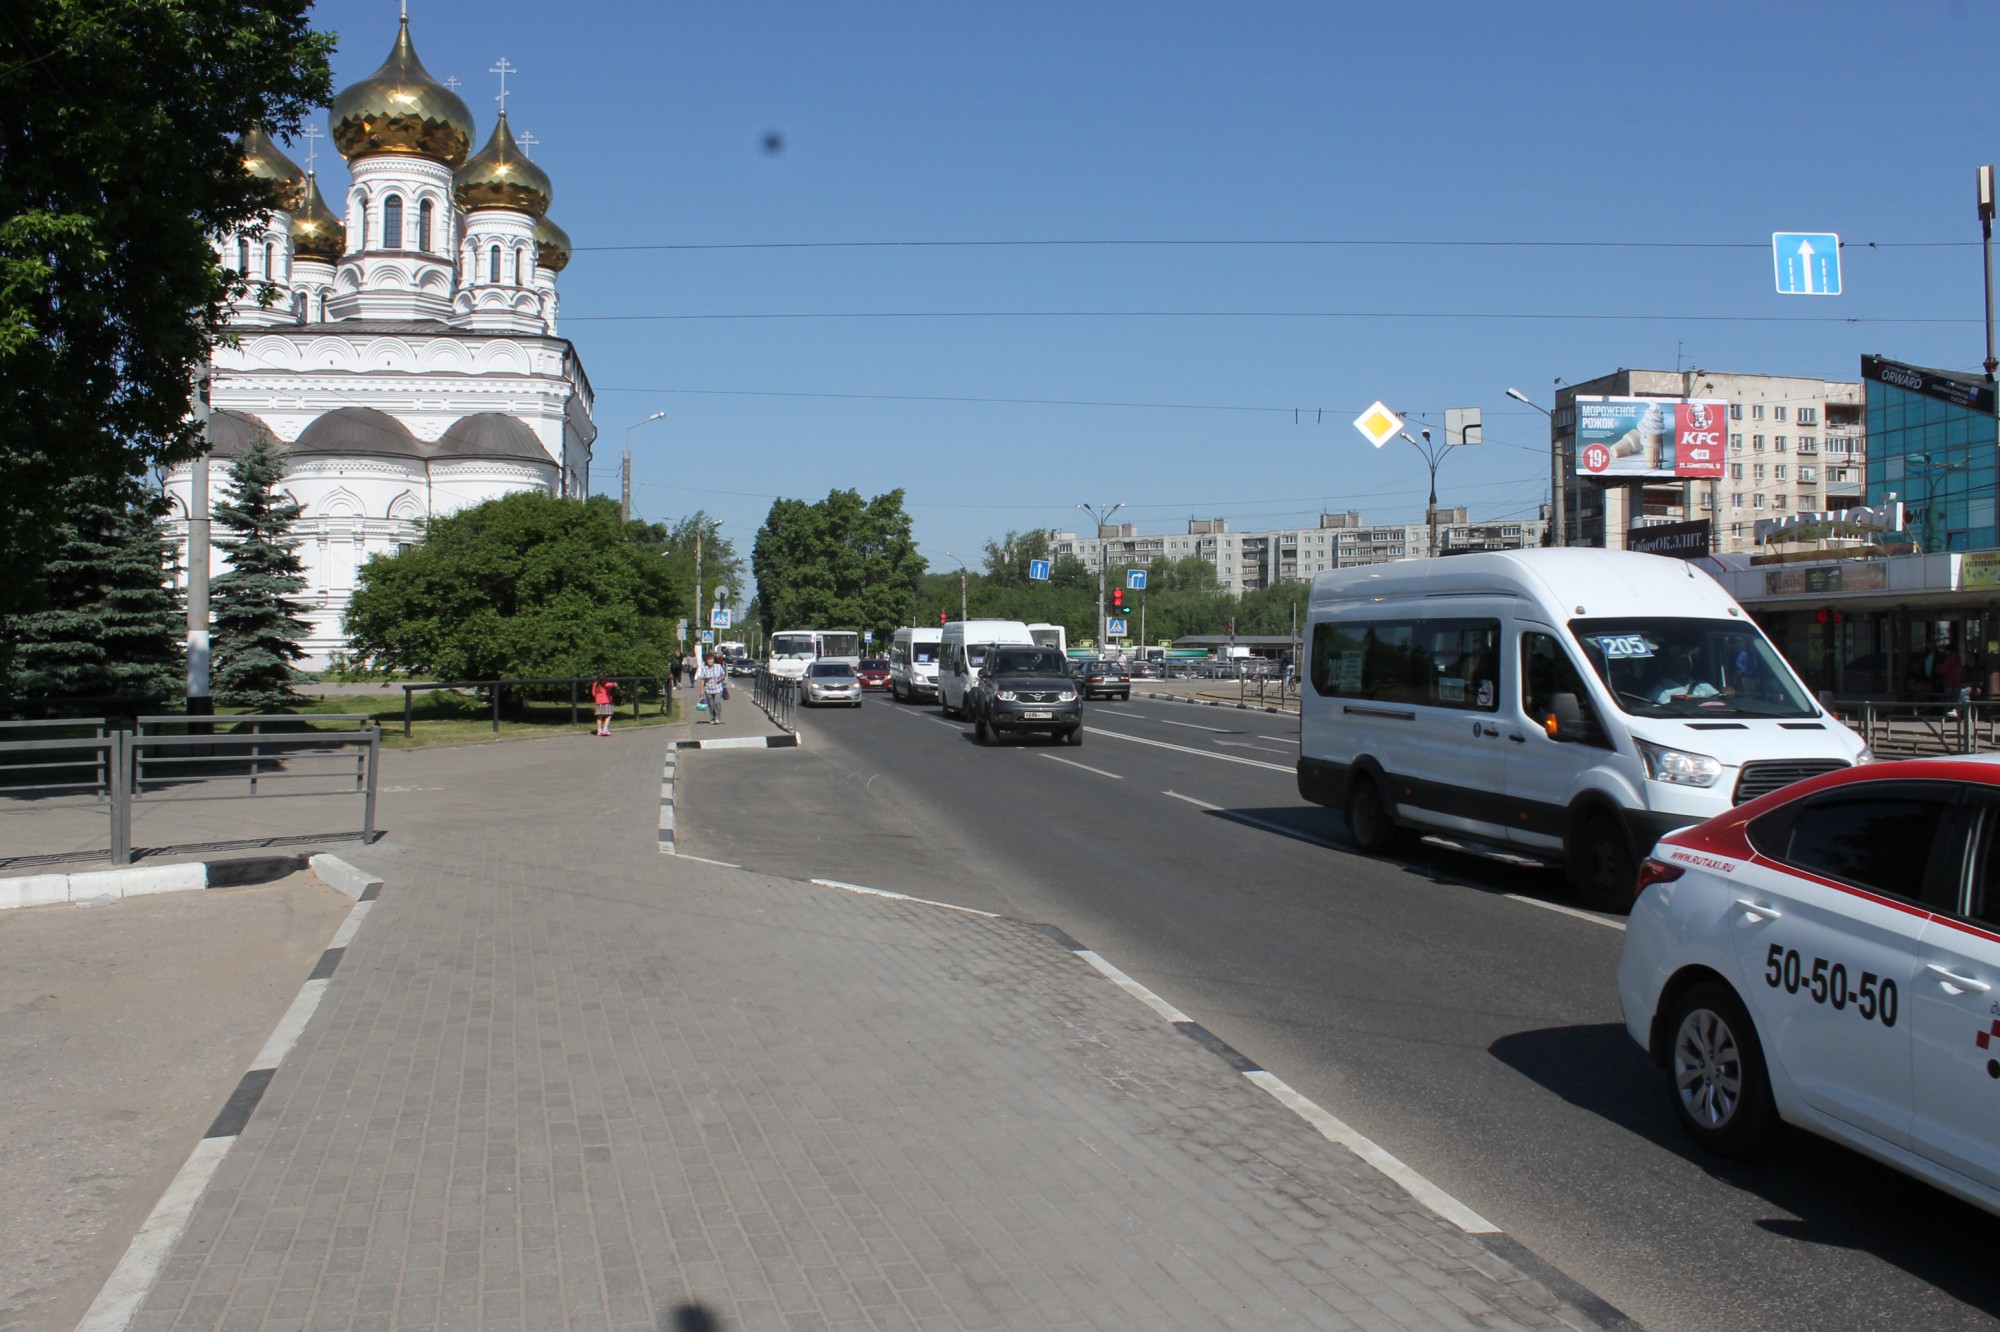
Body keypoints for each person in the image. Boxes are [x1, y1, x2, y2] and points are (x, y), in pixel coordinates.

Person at [1651, 648, 1722, 705]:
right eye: (1677, 666)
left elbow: (1719, 701)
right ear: (1669, 666)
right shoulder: (1657, 692)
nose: (1682, 668)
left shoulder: (1701, 685)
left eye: (1684, 665)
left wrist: (1727, 695)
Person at [700, 651, 727, 724]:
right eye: (708, 659)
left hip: (718, 688)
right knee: (711, 704)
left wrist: (720, 679)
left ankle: (717, 717)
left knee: (716, 702)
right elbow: (702, 679)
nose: (709, 661)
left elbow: (724, 675)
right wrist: (701, 690)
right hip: (708, 689)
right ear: (706, 660)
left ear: (713, 660)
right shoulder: (704, 668)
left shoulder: (718, 666)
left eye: (711, 659)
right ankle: (712, 718)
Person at [591, 672, 615, 736]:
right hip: (606, 701)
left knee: (599, 717)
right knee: (608, 715)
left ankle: (599, 731)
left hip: (598, 701)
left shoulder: (595, 684)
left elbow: (593, 693)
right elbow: (612, 684)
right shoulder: (606, 683)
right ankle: (605, 729)